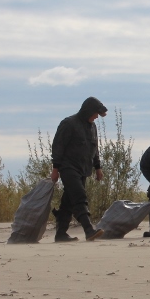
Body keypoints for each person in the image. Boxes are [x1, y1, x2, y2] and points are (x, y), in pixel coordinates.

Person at [50, 96, 108, 242]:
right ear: (88, 111)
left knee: (68, 202)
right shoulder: (68, 124)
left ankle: (60, 234)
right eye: (96, 114)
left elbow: (95, 148)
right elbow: (58, 146)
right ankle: (88, 230)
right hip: (68, 167)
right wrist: (55, 169)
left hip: (84, 169)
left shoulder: (92, 127)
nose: (96, 117)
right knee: (79, 197)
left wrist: (98, 167)